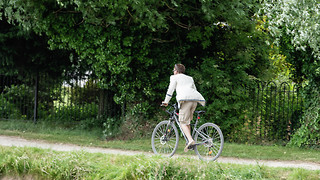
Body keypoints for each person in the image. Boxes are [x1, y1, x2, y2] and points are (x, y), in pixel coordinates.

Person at [162, 64, 205, 152]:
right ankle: (190, 142)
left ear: (177, 71)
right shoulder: (190, 78)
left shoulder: (174, 77)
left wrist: (166, 101)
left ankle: (190, 140)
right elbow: (194, 89)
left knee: (182, 123)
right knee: (187, 122)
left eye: (174, 70)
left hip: (185, 100)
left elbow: (170, 90)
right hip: (194, 100)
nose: (173, 72)